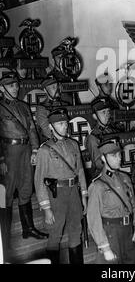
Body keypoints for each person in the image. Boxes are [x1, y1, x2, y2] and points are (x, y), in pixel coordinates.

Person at [0, 70, 48, 259]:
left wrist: (35, 150)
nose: (16, 87)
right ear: (2, 88)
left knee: (26, 188)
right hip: (8, 153)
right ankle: (4, 238)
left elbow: (31, 129)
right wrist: (1, 159)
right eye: (11, 85)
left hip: (26, 150)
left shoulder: (24, 106)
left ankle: (28, 229)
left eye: (16, 84)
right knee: (7, 195)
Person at [34, 108, 88, 264]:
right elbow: (39, 181)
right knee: (55, 234)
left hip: (74, 193)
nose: (65, 126)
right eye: (60, 123)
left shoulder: (73, 144)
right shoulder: (45, 150)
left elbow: (80, 171)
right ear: (51, 127)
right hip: (56, 195)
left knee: (75, 231)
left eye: (65, 123)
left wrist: (83, 195)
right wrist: (46, 209)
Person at [87, 138, 135, 264]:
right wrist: (105, 248)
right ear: (103, 158)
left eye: (119, 154)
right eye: (113, 155)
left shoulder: (125, 178)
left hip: (129, 232)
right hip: (111, 234)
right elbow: (93, 220)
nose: (119, 158)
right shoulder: (97, 186)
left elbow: (134, 205)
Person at [85, 97, 121, 181]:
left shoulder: (115, 131)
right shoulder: (93, 137)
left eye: (108, 111)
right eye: (103, 112)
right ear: (95, 116)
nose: (107, 115)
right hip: (102, 178)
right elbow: (98, 164)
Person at [35, 74, 69, 142]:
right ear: (45, 90)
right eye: (53, 87)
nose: (57, 89)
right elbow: (47, 132)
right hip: (52, 144)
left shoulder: (65, 104)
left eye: (57, 86)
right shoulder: (42, 109)